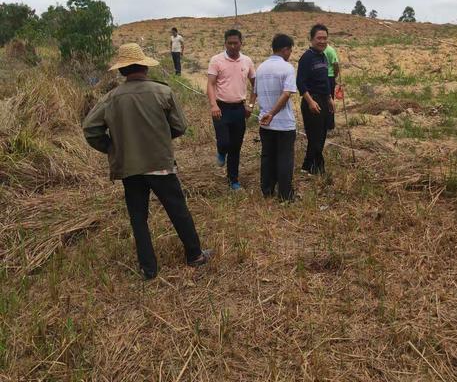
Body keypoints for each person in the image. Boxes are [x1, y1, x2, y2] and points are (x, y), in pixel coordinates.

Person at [83, 43, 211, 280]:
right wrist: (162, 138)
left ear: (122, 71)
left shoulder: (110, 98)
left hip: (130, 168)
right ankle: (195, 255)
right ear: (144, 66)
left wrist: (112, 147)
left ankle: (148, 268)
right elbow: (180, 126)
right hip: (160, 163)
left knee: (138, 217)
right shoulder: (162, 92)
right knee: (178, 209)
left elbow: (90, 129)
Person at [248, 34, 297, 201]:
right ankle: (285, 194)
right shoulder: (287, 68)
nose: (290, 53)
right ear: (285, 49)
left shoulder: (261, 68)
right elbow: (287, 93)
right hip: (283, 124)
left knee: (268, 156)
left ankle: (267, 190)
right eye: (290, 50)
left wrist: (252, 107)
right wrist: (273, 113)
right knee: (285, 158)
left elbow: (254, 92)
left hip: (265, 124)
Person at [207, 29, 255, 190]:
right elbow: (211, 84)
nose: (233, 46)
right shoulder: (216, 60)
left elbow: (256, 84)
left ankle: (233, 179)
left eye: (236, 43)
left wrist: (250, 105)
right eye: (230, 43)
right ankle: (221, 151)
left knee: (236, 146)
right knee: (225, 142)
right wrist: (213, 105)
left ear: (241, 43)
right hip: (221, 108)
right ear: (225, 43)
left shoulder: (247, 61)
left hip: (239, 109)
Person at [296, 24, 335, 175]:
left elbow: (325, 81)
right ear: (311, 39)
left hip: (324, 100)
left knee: (321, 135)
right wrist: (310, 101)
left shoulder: (323, 56)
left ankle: (307, 166)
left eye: (325, 38)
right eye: (319, 38)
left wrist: (329, 98)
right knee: (315, 137)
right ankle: (319, 169)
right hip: (311, 101)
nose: (322, 41)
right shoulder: (306, 58)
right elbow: (300, 82)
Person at [324, 43, 340, 130]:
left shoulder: (330, 50)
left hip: (329, 77)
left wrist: (334, 75)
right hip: (320, 77)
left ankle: (330, 125)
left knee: (329, 101)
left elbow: (336, 64)